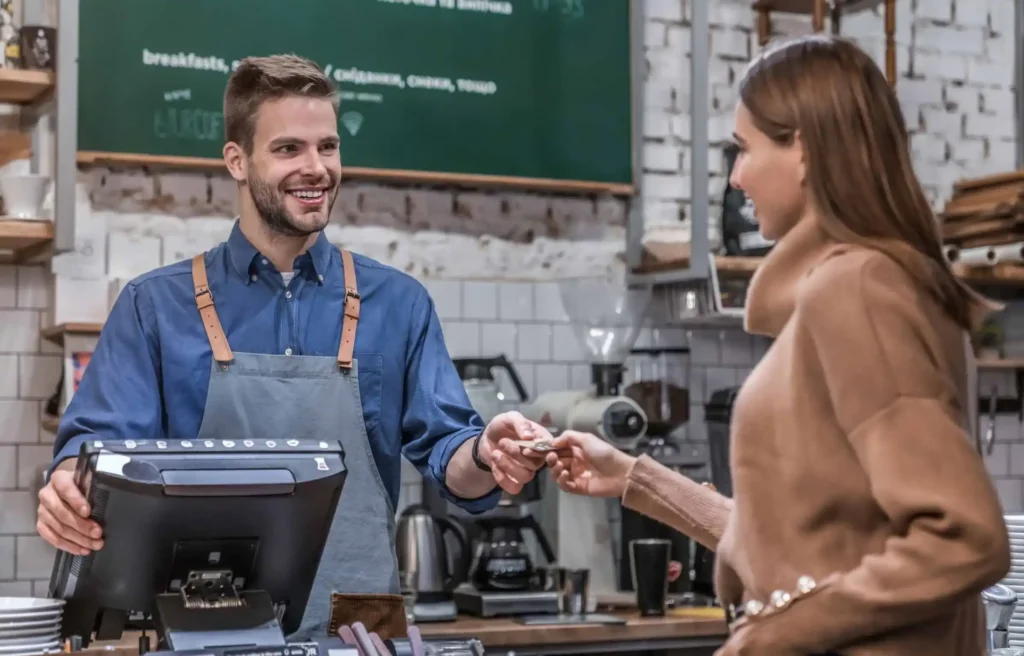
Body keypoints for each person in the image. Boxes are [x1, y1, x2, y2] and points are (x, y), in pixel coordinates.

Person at [38, 54, 548, 640]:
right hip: (205, 632)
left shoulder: (399, 303)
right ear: (237, 160)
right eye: (288, 150)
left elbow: (452, 461)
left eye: (327, 147)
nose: (316, 168)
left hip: (360, 631)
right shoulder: (154, 307)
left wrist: (487, 453)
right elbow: (95, 453)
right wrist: (67, 486)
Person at [546, 35, 1011, 656]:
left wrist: (776, 635)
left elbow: (964, 537)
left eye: (744, 149)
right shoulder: (854, 286)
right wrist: (634, 476)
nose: (736, 178)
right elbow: (808, 546)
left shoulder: (859, 290)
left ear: (805, 149)